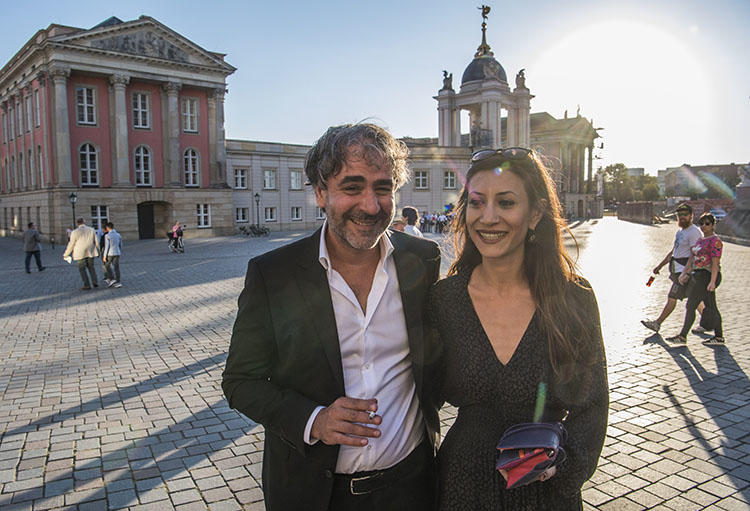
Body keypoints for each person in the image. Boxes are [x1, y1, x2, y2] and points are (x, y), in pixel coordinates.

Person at [222, 123, 442, 511]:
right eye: (353, 187)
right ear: (321, 193)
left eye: (383, 188)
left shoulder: (421, 260)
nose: (371, 206)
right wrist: (314, 420)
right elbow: (241, 381)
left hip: (413, 486)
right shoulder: (274, 274)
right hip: (315, 493)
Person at [429, 147, 608, 509]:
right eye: (477, 203)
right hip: (463, 485)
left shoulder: (574, 299)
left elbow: (592, 404)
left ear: (535, 214)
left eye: (506, 203)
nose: (488, 217)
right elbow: (417, 398)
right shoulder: (443, 299)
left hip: (546, 491)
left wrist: (565, 468)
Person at [641, 203, 702, 333]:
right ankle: (708, 322)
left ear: (691, 215)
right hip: (677, 270)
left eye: (685, 215)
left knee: (672, 297)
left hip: (683, 273)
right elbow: (674, 252)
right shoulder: (681, 232)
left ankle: (657, 323)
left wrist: (686, 273)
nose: (682, 217)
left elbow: (695, 255)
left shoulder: (694, 232)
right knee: (695, 298)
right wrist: (660, 266)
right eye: (680, 215)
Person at [667, 213, 725, 346]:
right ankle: (719, 337)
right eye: (702, 223)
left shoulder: (715, 241)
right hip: (698, 275)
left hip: (708, 276)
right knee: (711, 306)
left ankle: (683, 336)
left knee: (691, 305)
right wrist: (685, 273)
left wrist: (712, 281)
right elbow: (692, 259)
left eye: (707, 223)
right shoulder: (700, 240)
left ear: (713, 225)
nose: (704, 226)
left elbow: (715, 263)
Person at [63, 217, 100, 290]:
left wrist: (66, 254)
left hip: (80, 253)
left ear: (77, 223)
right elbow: (97, 241)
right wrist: (98, 251)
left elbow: (71, 244)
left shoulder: (75, 232)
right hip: (90, 251)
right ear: (84, 222)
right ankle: (95, 281)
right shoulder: (91, 229)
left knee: (82, 269)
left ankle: (87, 284)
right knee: (91, 267)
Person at [103, 222, 123, 288]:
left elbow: (107, 246)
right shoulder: (118, 235)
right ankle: (118, 281)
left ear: (108, 228)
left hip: (110, 253)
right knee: (116, 267)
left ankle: (112, 279)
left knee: (107, 265)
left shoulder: (107, 236)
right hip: (117, 252)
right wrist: (119, 250)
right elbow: (120, 245)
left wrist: (104, 255)